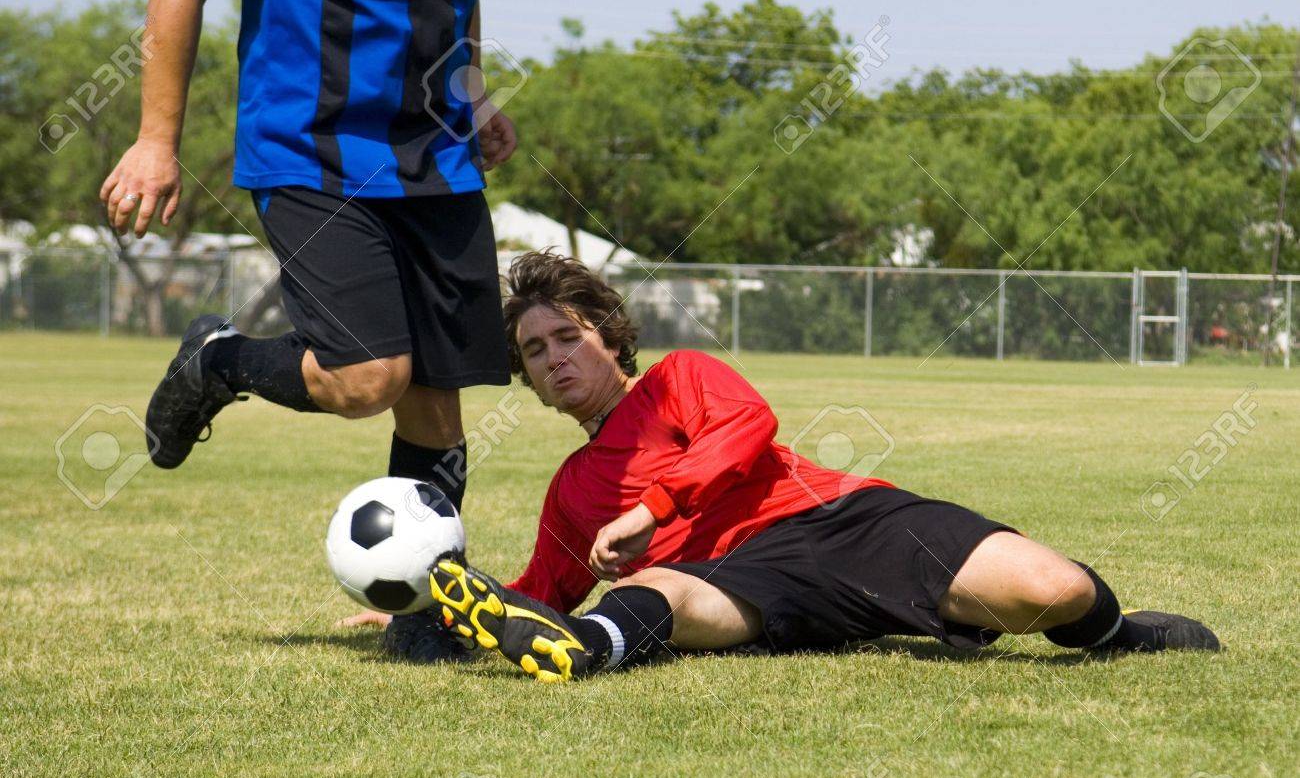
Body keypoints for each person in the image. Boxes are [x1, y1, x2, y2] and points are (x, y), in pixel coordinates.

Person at [410, 250, 1217, 682]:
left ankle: (1117, 638)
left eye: (569, 336)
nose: (554, 359)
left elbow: (747, 429)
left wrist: (651, 507)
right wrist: (418, 604)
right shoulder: (570, 492)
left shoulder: (678, 379)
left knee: (1054, 591)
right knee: (650, 592)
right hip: (745, 586)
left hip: (841, 522)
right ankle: (588, 652)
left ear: (612, 338)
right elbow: (536, 594)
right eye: (533, 350)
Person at [101, 0, 517, 658]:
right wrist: (155, 139)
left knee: (437, 406)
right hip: (311, 153)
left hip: (440, 161)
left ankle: (424, 613)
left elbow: (456, 0)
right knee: (367, 378)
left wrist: (473, 92)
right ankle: (219, 360)